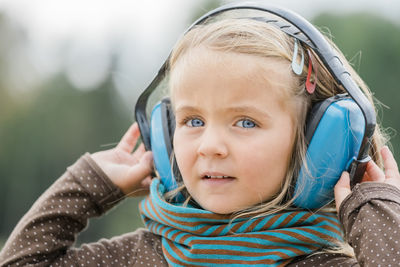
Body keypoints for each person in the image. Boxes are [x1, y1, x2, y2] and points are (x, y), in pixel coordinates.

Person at [1, 4, 400, 267]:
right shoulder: (142, 257)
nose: (210, 145)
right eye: (193, 121)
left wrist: (380, 213)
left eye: (245, 122)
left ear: (319, 145)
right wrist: (87, 184)